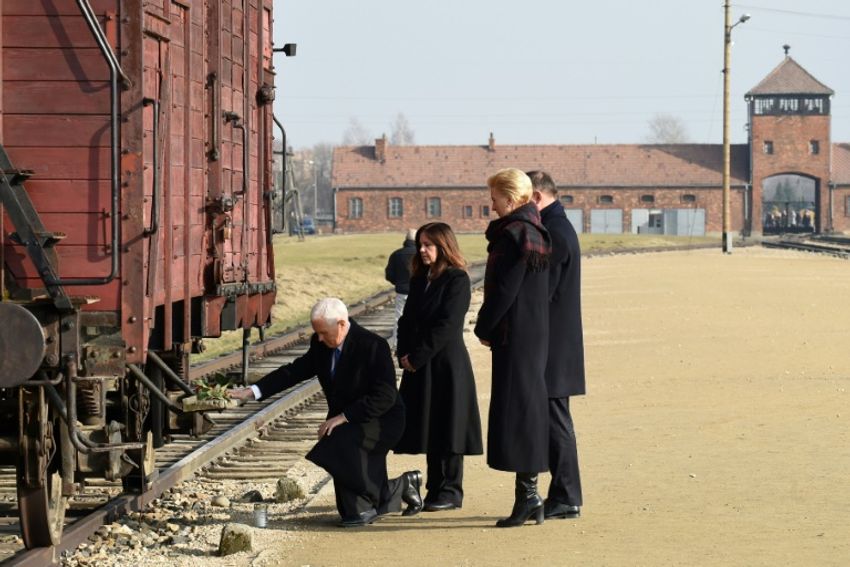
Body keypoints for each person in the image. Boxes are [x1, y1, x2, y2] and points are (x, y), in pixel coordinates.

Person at [230, 298, 423, 527]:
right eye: (317, 333)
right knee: (338, 443)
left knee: (338, 443)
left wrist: (344, 417)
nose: (319, 338)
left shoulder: (373, 346)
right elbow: (294, 372)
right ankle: (393, 491)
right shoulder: (321, 344)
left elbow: (385, 396)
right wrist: (253, 391)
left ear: (342, 324)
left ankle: (371, 504)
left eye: (323, 332)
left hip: (381, 418)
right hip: (348, 419)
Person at [474, 168, 552, 528]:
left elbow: (504, 290)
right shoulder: (535, 232)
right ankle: (529, 494)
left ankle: (529, 496)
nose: (491, 205)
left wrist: (484, 326)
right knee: (527, 410)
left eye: (494, 198)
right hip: (532, 334)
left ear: (511, 198)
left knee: (518, 412)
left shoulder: (514, 235)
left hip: (514, 335)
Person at [394, 222, 483, 511]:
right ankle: (435, 488)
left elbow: (447, 325)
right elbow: (406, 319)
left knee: (450, 425)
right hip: (420, 365)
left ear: (443, 246)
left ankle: (451, 491)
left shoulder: (457, 279)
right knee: (430, 426)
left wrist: (417, 356)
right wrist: (403, 353)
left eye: (428, 245)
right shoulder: (420, 279)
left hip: (446, 364)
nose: (421, 250)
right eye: (420, 244)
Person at [528, 170, 586, 520]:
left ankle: (566, 496)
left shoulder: (555, 234)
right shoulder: (557, 228)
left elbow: (540, 293)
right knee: (554, 419)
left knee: (556, 421)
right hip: (556, 345)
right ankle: (564, 494)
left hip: (553, 347)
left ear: (535, 196)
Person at [385, 229, 417, 349]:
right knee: (417, 317)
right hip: (417, 292)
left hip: (401, 291)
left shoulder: (396, 254)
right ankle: (414, 342)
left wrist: (398, 282)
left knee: (399, 318)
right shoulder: (421, 254)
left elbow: (389, 275)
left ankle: (397, 343)